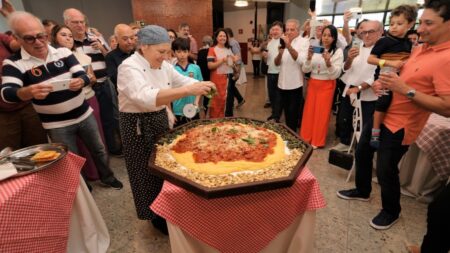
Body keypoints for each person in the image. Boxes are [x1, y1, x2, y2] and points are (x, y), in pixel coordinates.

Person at [337, 0, 450, 233]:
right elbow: (398, 73)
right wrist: (381, 83)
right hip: (383, 112)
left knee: (387, 168)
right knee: (362, 151)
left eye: (429, 23)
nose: (421, 28)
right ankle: (362, 190)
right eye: (421, 22)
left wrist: (404, 89)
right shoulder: (420, 48)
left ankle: (391, 211)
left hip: (403, 124)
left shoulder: (446, 58)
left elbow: (447, 107)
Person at [1, 11, 122, 190]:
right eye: (30, 38)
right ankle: (82, 186)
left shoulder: (63, 52)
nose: (39, 42)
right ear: (17, 39)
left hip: (83, 114)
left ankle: (108, 176)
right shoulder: (14, 63)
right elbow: (7, 93)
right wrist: (27, 92)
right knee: (71, 158)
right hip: (56, 124)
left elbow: (85, 75)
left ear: (46, 34)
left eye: (41, 36)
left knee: (99, 149)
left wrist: (81, 81)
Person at [117, 25, 214, 234]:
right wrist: (188, 90)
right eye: (160, 52)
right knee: (145, 171)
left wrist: (201, 83)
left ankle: (168, 210)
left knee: (164, 167)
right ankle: (154, 217)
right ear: (143, 47)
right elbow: (145, 97)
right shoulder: (129, 67)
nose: (165, 56)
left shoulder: (164, 65)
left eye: (167, 51)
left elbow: (182, 80)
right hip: (137, 125)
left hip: (159, 117)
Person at [64, 8, 122, 156]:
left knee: (109, 118)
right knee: (92, 122)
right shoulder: (67, 43)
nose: (79, 25)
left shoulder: (95, 37)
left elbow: (110, 57)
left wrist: (102, 48)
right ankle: (97, 151)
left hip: (103, 83)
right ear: (67, 23)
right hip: (85, 88)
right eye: (75, 22)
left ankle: (112, 149)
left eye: (82, 22)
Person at [50, 24, 104, 181]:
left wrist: (85, 80)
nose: (68, 38)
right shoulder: (52, 59)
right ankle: (88, 176)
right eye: (63, 35)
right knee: (76, 147)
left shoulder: (83, 56)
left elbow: (92, 78)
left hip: (88, 98)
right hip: (64, 109)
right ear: (54, 38)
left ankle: (103, 173)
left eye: (70, 35)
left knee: (96, 141)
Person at [367, 4, 417, 149]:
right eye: (392, 23)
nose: (394, 27)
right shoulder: (384, 41)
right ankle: (375, 132)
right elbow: (371, 59)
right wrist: (389, 62)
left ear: (410, 24)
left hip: (399, 80)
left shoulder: (408, 43)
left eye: (399, 24)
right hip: (384, 78)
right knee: (383, 101)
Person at [0, 3, 47, 150]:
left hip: (25, 103)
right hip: (2, 113)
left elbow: (22, 42)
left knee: (39, 148)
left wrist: (12, 16)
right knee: (9, 156)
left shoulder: (2, 38)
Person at [332, 21, 384, 152]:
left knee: (364, 123)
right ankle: (344, 142)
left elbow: (376, 75)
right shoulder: (357, 46)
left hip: (367, 93)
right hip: (349, 88)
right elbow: (346, 68)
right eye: (363, 32)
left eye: (371, 32)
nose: (366, 35)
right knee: (345, 117)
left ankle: (360, 148)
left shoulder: (382, 51)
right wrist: (349, 58)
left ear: (380, 32)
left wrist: (359, 88)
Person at [300, 25, 343, 148]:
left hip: (327, 84)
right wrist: (308, 58)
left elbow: (336, 74)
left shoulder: (337, 52)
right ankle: (306, 137)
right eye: (324, 35)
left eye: (330, 36)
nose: (326, 38)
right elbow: (305, 68)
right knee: (309, 111)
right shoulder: (316, 49)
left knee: (321, 113)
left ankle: (317, 141)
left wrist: (328, 62)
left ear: (334, 38)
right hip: (313, 83)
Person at [273, 19, 309, 132]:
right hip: (281, 84)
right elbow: (276, 63)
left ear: (298, 30)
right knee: (283, 114)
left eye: (292, 29)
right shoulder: (282, 42)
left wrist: (289, 46)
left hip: (294, 85)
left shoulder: (303, 42)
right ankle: (287, 135)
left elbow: (301, 61)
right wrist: (279, 54)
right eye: (287, 29)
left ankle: (293, 139)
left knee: (292, 116)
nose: (288, 32)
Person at [207, 28, 239, 118]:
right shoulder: (212, 49)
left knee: (228, 102)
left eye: (224, 36)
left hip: (228, 79)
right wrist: (222, 60)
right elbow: (210, 66)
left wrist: (234, 66)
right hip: (216, 80)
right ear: (216, 38)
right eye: (220, 36)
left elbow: (232, 65)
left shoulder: (229, 50)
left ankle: (227, 122)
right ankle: (215, 122)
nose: (223, 38)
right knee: (216, 101)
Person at [171, 37, 203, 126]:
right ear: (173, 53)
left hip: (193, 109)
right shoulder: (171, 70)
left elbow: (200, 86)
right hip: (178, 110)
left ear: (188, 52)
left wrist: (196, 101)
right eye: (179, 51)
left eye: (185, 51)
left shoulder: (196, 68)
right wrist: (170, 111)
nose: (182, 55)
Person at [105, 24, 135, 90]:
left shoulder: (138, 53)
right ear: (116, 39)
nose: (129, 41)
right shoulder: (110, 57)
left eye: (132, 38)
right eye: (125, 39)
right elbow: (116, 79)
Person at [263, 21, 283, 119]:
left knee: (279, 97)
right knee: (271, 95)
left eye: (277, 29)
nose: (275, 31)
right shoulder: (270, 43)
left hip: (280, 73)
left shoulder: (283, 41)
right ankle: (274, 113)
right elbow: (267, 60)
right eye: (273, 29)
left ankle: (277, 116)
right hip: (270, 71)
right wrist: (265, 57)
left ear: (281, 31)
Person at [224, 27, 245, 112]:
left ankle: (232, 104)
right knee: (231, 86)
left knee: (230, 87)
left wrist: (237, 72)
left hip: (234, 68)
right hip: (232, 68)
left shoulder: (232, 43)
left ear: (228, 34)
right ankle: (239, 100)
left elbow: (238, 57)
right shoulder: (231, 42)